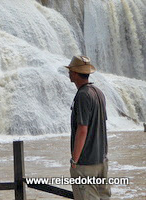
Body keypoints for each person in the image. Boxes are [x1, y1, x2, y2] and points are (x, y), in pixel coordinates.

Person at [65, 56, 111, 200]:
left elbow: (82, 129)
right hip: (101, 160)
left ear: (76, 74)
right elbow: (101, 125)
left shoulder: (83, 95)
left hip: (86, 163)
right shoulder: (98, 92)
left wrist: (75, 160)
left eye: (71, 70)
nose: (69, 73)